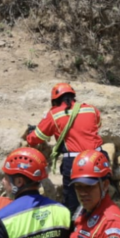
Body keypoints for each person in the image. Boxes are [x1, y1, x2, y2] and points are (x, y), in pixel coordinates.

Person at [25, 83, 103, 214]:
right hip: (98, 158)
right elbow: (97, 125)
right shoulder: (91, 109)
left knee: (72, 203)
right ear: (73, 97)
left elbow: (35, 138)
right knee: (100, 197)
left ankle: (73, 230)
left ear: (55, 101)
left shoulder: (54, 114)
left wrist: (30, 133)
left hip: (74, 162)